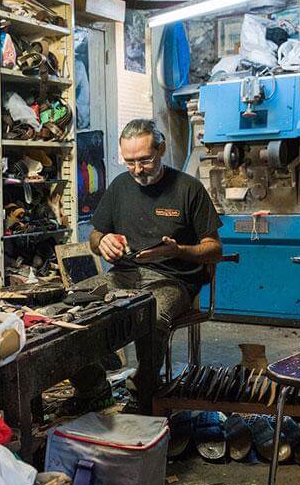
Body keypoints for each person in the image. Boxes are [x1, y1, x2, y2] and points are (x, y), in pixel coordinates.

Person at [67, 119, 223, 414]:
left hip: (173, 279)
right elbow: (95, 235)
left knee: (150, 316)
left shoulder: (188, 188)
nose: (137, 170)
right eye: (130, 162)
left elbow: (214, 249)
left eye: (145, 161)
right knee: (71, 307)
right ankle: (93, 387)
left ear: (161, 149)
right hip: (125, 274)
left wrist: (178, 250)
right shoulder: (120, 186)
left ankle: (143, 388)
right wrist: (102, 242)